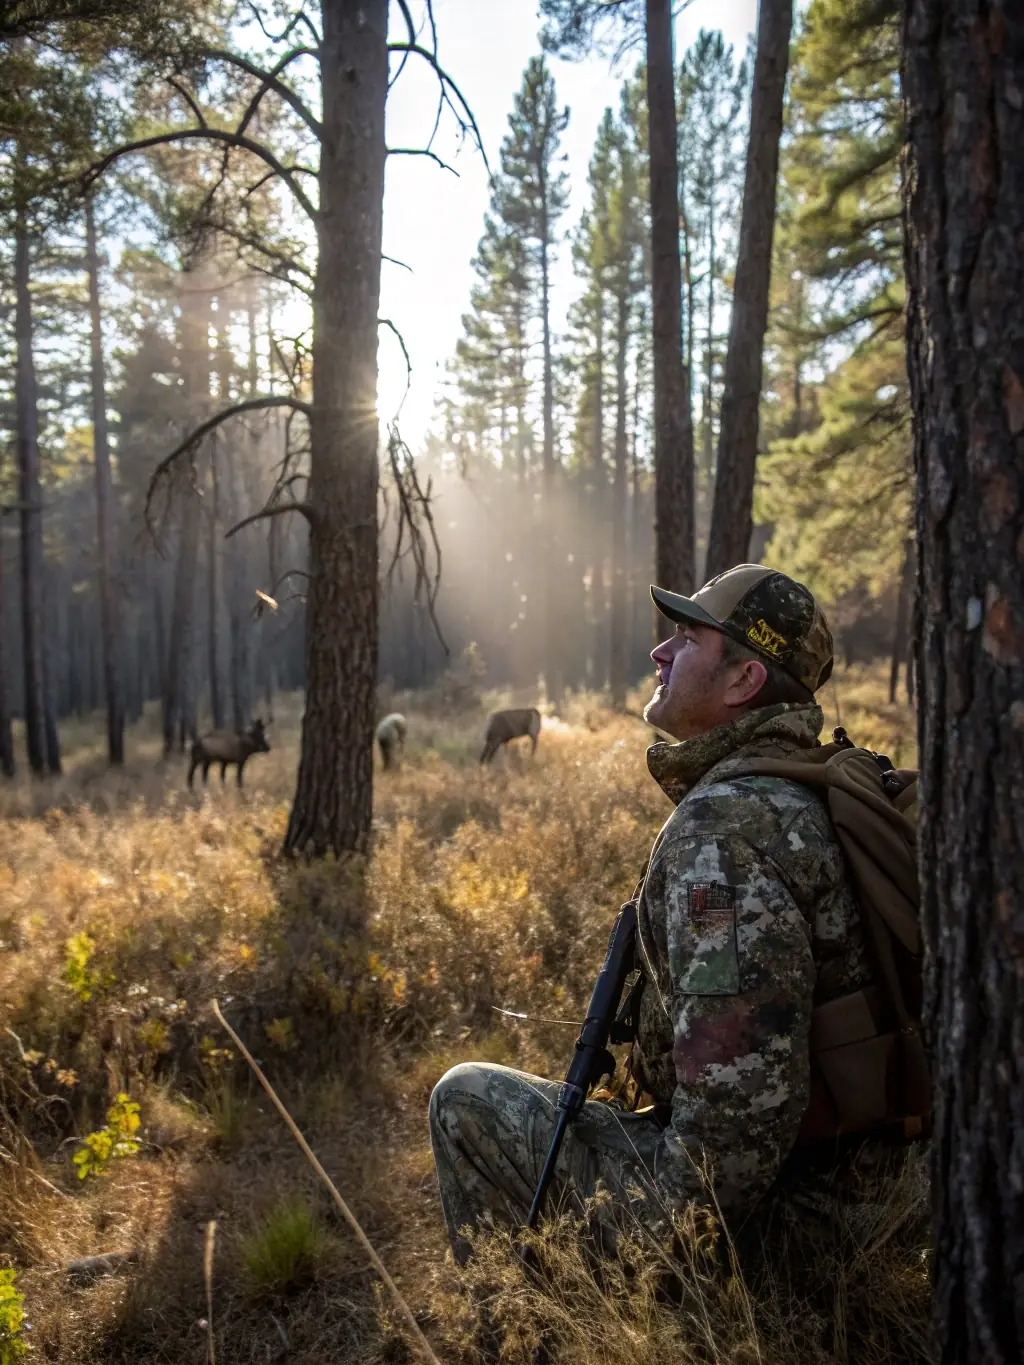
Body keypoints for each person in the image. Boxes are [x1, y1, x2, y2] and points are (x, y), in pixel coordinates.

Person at [428, 564, 877, 1265]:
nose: (659, 653)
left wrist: (665, 1265)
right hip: (844, 1189)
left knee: (463, 1102)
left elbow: (736, 1119)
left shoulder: (726, 837)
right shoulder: (798, 792)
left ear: (742, 681)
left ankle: (521, 1334)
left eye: (687, 638)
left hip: (782, 1223)